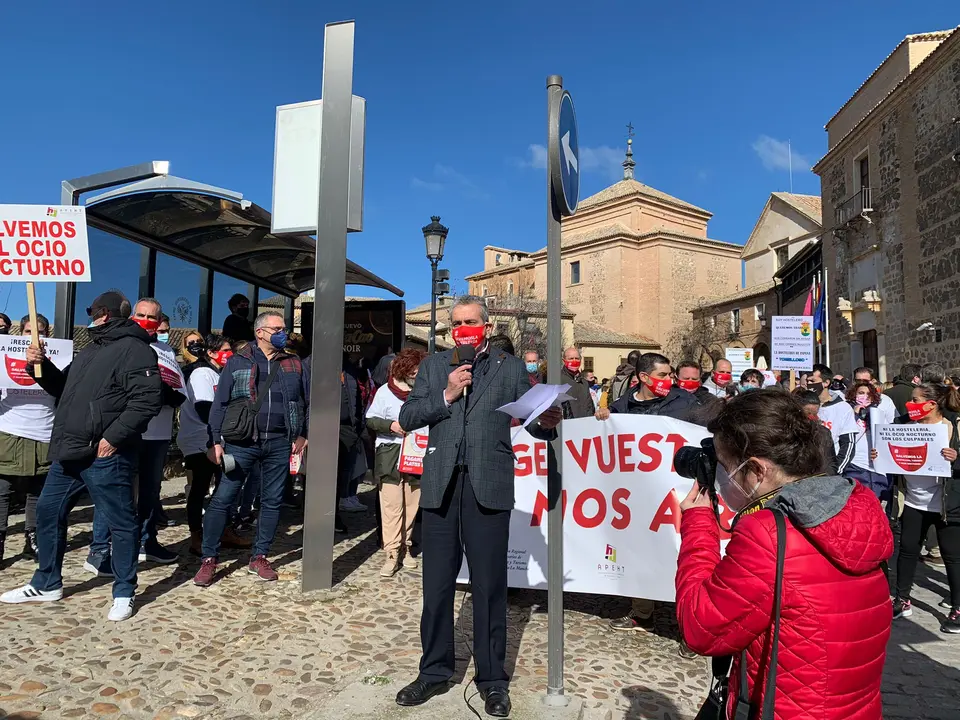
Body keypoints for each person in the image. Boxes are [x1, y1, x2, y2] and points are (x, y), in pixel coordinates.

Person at [677, 389, 893, 718]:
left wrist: (697, 524)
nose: (719, 476)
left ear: (757, 470)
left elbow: (702, 628)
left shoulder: (768, 533)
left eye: (723, 466)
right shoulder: (857, 504)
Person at [394, 295, 560, 717]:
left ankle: (492, 679)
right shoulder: (434, 367)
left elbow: (534, 419)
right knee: (436, 586)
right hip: (440, 485)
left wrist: (546, 421)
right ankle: (433, 671)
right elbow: (410, 416)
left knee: (489, 588)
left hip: (489, 484)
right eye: (456, 324)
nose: (462, 329)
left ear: (485, 326)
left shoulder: (509, 367)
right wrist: (447, 395)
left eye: (470, 322)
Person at [0, 291, 163, 621]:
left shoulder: (136, 349)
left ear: (104, 313)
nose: (89, 316)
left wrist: (113, 438)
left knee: (121, 522)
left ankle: (124, 590)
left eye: (92, 310)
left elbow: (146, 401)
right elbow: (61, 387)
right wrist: (39, 365)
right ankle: (47, 583)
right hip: (70, 452)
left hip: (105, 455)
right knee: (47, 512)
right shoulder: (91, 349)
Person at [193, 311, 308, 586]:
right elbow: (220, 404)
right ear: (260, 332)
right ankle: (209, 559)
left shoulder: (294, 363)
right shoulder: (238, 361)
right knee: (223, 499)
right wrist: (214, 441)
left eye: (284, 328)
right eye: (277, 328)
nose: (284, 332)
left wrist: (303, 433)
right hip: (240, 444)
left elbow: (304, 401)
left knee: (271, 502)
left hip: (280, 443)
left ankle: (260, 557)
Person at [596, 352, 697, 637]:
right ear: (643, 377)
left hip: (674, 493)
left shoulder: (685, 404)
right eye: (663, 375)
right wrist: (603, 417)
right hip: (637, 495)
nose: (670, 380)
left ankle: (689, 625)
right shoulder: (622, 405)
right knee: (640, 550)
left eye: (670, 375)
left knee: (680, 554)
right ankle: (643, 613)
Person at [85, 299, 186, 574]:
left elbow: (179, 391)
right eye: (140, 314)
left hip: (158, 434)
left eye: (152, 317)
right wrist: (156, 391)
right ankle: (99, 551)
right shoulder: (118, 345)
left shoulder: (166, 351)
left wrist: (164, 393)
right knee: (115, 493)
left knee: (151, 493)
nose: (146, 320)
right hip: (125, 433)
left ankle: (146, 541)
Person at [880, 383, 960, 632]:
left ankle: (957, 607)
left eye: (915, 400)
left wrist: (956, 459)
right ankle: (902, 600)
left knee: (952, 556)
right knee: (907, 551)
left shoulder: (953, 426)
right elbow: (889, 454)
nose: (909, 404)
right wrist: (879, 454)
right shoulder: (902, 424)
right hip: (913, 501)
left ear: (932, 404)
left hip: (946, 503)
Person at [178, 334, 251, 557]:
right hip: (201, 440)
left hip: (219, 440)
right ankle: (196, 536)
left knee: (225, 487)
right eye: (226, 350)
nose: (229, 354)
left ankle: (224, 530)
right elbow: (205, 409)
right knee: (200, 488)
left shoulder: (219, 373)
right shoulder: (202, 373)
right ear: (211, 353)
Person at [365, 348, 426, 577]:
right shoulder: (384, 392)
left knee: (412, 505)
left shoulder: (424, 392)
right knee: (391, 506)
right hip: (390, 454)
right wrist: (390, 425)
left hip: (416, 454)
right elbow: (370, 419)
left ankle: (406, 547)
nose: (416, 374)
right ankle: (391, 553)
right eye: (413, 370)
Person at [0, 314, 54, 563]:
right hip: (9, 430)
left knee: (38, 490)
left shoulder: (59, 358)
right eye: (29, 331)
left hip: (44, 431)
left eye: (40, 331)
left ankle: (33, 539)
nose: (34, 336)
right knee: (2, 489)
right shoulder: (3, 357)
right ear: (20, 333)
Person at [844, 380, 891, 502]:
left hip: (877, 468)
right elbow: (849, 438)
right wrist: (856, 415)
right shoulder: (847, 413)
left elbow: (886, 438)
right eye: (861, 393)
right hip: (855, 466)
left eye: (868, 394)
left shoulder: (879, 414)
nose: (865, 396)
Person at [810, 364, 858, 475]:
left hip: (828, 471)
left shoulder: (843, 408)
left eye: (813, 381)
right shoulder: (802, 404)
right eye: (807, 381)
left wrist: (835, 471)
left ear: (826, 383)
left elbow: (848, 444)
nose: (809, 385)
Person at [796, 390, 840, 474]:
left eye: (815, 413)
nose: (811, 417)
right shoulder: (787, 432)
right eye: (807, 412)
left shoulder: (823, 433)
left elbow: (831, 463)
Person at [559, 347, 595, 419]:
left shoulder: (584, 382)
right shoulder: (558, 380)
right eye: (571, 358)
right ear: (564, 360)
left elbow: (590, 406)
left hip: (584, 425)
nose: (574, 361)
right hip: (566, 426)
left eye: (577, 358)